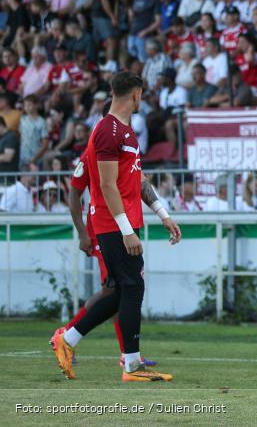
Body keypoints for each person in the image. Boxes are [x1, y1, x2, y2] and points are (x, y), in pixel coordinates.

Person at [51, 72, 180, 382]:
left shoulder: (124, 131)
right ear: (135, 95)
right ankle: (131, 365)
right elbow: (108, 186)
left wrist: (163, 213)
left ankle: (68, 340)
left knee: (119, 290)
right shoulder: (108, 131)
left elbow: (137, 181)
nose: (142, 100)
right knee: (132, 287)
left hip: (121, 223)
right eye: (142, 95)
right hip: (112, 225)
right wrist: (126, 230)